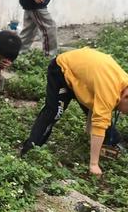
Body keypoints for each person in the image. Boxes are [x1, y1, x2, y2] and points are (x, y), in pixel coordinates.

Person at [21, 47, 128, 176]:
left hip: (83, 78)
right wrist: (93, 164)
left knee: (102, 111)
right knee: (54, 112)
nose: (124, 114)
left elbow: (96, 108)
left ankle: (112, 144)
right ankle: (30, 150)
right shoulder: (109, 92)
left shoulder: (122, 84)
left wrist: (90, 131)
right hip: (62, 69)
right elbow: (100, 122)